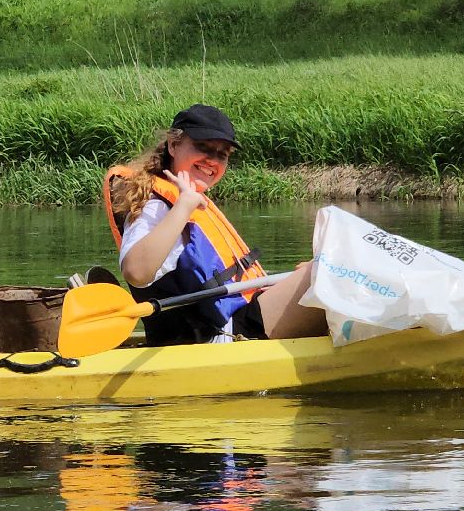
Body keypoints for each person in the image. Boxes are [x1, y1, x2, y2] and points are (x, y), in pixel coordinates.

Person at [103, 104, 326, 346]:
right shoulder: (156, 206)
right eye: (203, 146)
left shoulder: (178, 199)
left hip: (236, 319)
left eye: (222, 154)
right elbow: (136, 272)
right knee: (332, 273)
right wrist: (184, 205)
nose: (212, 160)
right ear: (173, 145)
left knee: (324, 268)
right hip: (218, 337)